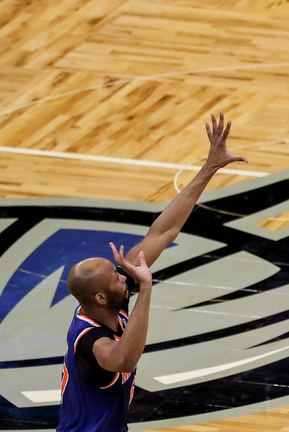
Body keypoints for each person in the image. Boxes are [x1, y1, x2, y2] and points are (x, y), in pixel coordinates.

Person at [56, 112, 247, 432]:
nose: (123, 276)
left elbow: (163, 232)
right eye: (116, 277)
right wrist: (146, 289)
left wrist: (210, 167)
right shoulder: (90, 341)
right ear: (100, 296)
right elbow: (124, 360)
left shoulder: (106, 301)